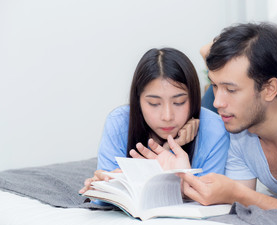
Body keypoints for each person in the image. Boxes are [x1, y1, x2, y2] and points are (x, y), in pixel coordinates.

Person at [131, 23, 277, 218]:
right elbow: (228, 200)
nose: (217, 102)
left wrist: (239, 194)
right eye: (215, 86)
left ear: (269, 89)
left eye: (231, 89)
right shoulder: (239, 130)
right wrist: (179, 178)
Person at [79, 47, 229, 194]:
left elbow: (210, 197)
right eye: (154, 104)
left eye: (179, 102)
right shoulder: (119, 122)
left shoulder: (215, 129)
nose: (167, 116)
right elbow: (105, 190)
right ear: (138, 101)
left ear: (194, 98)